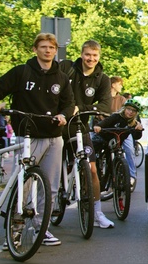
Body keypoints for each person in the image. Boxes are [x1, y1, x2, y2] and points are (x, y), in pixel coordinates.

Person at [0, 32, 75, 246]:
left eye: (52, 48)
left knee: (50, 186)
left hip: (54, 137)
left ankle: (41, 228)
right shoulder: (22, 72)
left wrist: (63, 116)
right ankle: (15, 229)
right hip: (27, 135)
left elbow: (68, 103)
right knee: (24, 183)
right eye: (44, 47)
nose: (48, 51)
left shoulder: (62, 78)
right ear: (35, 49)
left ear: (56, 51)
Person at [59, 40, 115, 229]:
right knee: (52, 169)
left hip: (79, 127)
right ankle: (44, 212)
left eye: (94, 55)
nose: (91, 58)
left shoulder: (102, 78)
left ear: (99, 56)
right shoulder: (66, 68)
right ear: (82, 54)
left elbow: (105, 106)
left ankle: (97, 213)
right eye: (87, 55)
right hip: (58, 125)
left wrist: (80, 108)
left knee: (92, 169)